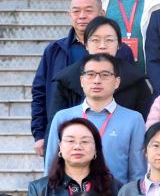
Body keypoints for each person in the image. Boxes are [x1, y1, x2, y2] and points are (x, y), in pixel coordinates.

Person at [46, 52, 147, 185]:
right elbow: (51, 167)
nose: (97, 81)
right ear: (81, 81)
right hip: (71, 195)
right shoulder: (63, 117)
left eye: (105, 75)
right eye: (90, 74)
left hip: (117, 195)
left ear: (117, 82)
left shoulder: (133, 119)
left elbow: (137, 173)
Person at [32, 0, 103, 154]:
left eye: (88, 11)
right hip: (61, 131)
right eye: (76, 11)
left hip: (104, 129)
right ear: (69, 14)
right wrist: (39, 134)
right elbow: (40, 92)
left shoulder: (118, 50)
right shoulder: (54, 50)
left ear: (102, 14)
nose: (82, 16)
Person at [49, 15, 152, 122]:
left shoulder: (135, 80)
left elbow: (146, 123)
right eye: (95, 40)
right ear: (86, 44)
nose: (102, 46)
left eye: (109, 40)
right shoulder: (66, 80)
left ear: (119, 45)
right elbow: (55, 123)